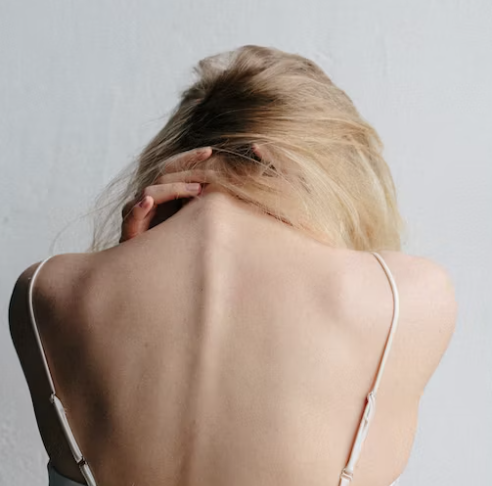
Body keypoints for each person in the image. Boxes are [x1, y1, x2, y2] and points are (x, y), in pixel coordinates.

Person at [9, 45, 457, 486]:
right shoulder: (408, 297)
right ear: (334, 170)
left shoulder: (46, 292)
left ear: (177, 153)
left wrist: (128, 263)